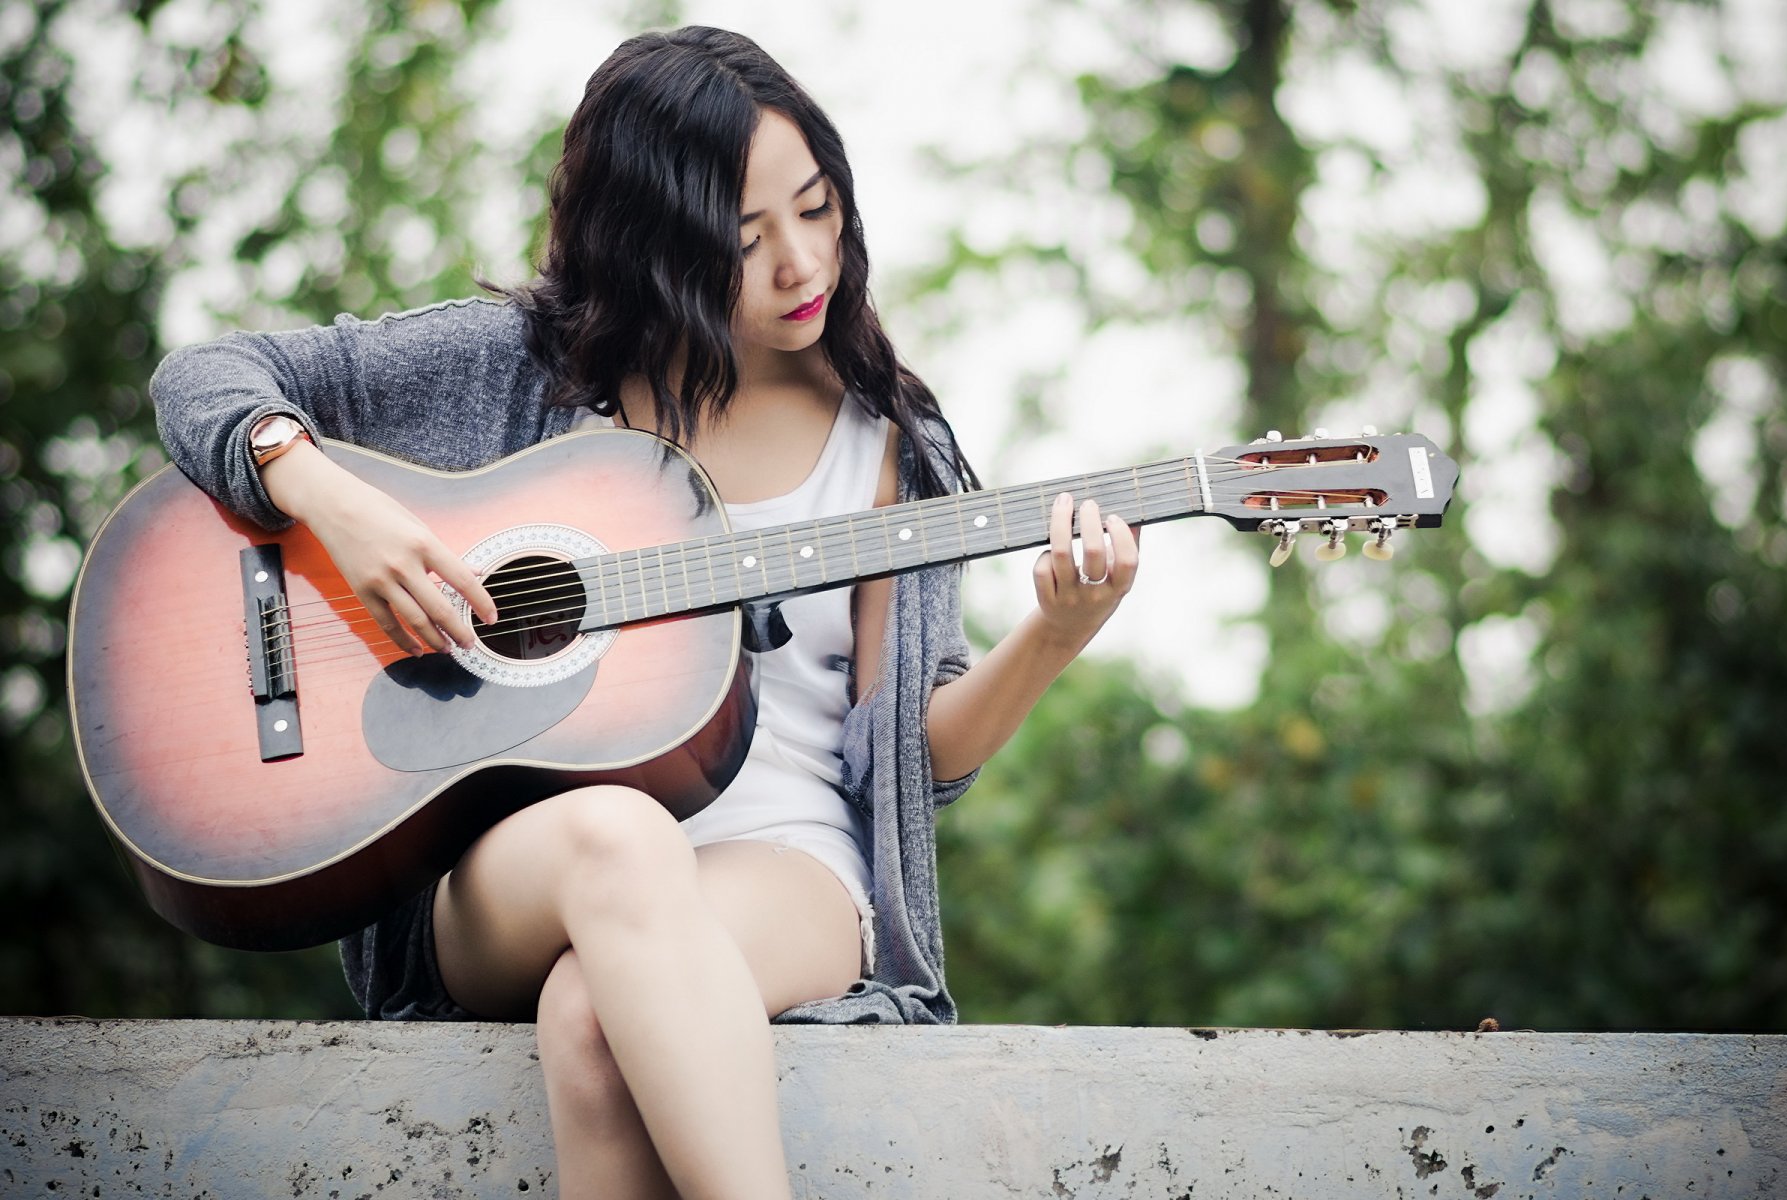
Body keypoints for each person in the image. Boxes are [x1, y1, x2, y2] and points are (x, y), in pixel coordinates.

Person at [149, 25, 1139, 1199]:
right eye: (745, 238)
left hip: (786, 859)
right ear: (649, 246)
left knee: (588, 1018)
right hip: (531, 861)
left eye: (817, 209)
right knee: (620, 839)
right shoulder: (518, 369)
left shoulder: (889, 439)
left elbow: (909, 756)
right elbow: (200, 377)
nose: (800, 264)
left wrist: (1055, 636)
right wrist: (331, 501)